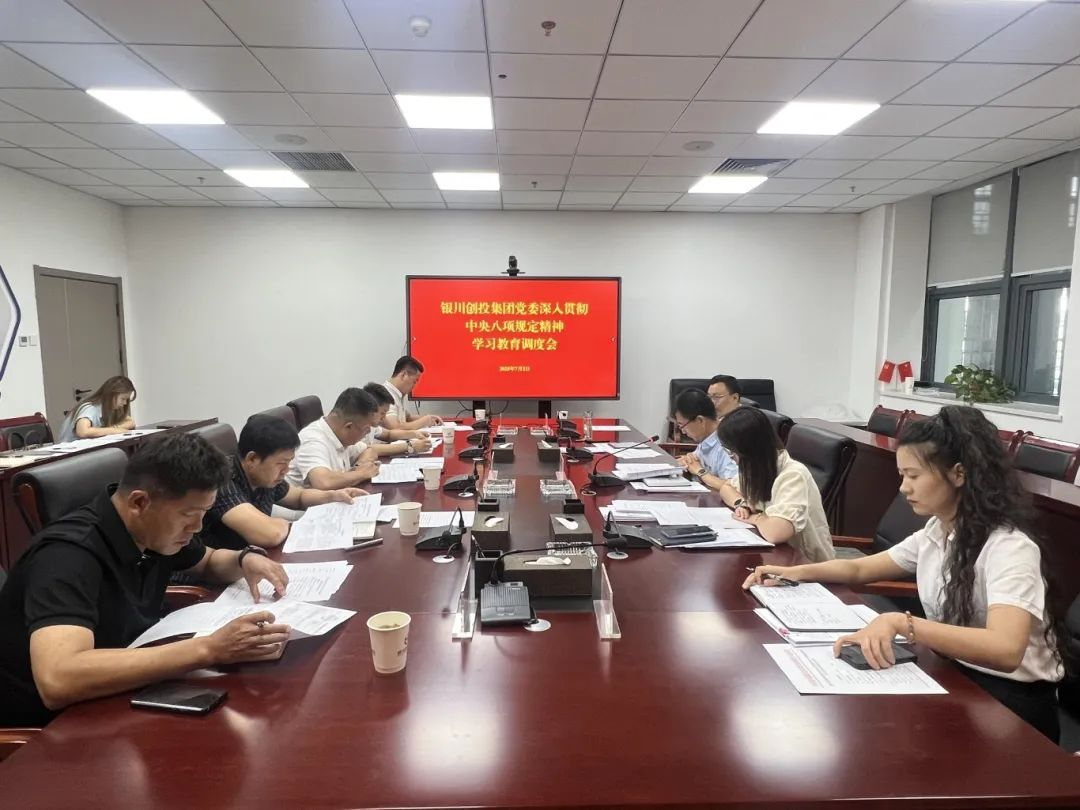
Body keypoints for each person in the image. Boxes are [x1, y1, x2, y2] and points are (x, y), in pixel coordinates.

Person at [743, 406, 1072, 742]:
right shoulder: (938, 531)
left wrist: (903, 623)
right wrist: (794, 572)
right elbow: (860, 567)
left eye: (913, 476)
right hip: (955, 675)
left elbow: (1005, 649)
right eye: (902, 476)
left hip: (1012, 707)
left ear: (958, 474)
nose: (903, 488)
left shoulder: (1009, 547)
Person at [0, 433, 292, 728]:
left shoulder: (152, 529)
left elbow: (208, 562)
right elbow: (59, 678)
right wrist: (209, 649)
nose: (197, 527)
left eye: (204, 513)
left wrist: (245, 559)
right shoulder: (66, 556)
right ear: (139, 502)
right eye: (189, 514)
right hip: (53, 727)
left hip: (123, 689)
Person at [200, 415, 368, 550]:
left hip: (251, 560)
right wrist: (289, 524)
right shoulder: (222, 479)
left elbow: (298, 497)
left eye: (289, 462)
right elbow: (270, 534)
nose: (286, 470)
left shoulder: (264, 475)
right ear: (252, 459)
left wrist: (333, 496)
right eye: (281, 464)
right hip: (217, 576)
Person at [715, 407, 835, 563]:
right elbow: (726, 488)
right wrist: (742, 504)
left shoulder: (793, 475)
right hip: (775, 556)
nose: (731, 458)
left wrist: (755, 517)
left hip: (807, 565)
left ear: (748, 450)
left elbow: (776, 532)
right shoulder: (756, 468)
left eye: (732, 451)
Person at [286, 388, 382, 490]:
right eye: (366, 429)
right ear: (348, 426)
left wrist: (360, 466)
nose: (368, 433)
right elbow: (323, 482)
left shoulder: (338, 433)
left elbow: (369, 450)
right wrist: (361, 473)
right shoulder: (313, 441)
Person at [674, 389, 738, 489]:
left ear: (700, 420)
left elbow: (734, 487)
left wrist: (700, 471)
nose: (683, 432)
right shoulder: (706, 438)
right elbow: (694, 462)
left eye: (682, 425)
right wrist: (687, 461)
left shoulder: (727, 444)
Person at [360, 382, 432, 458]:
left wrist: (414, 434)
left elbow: (388, 434)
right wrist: (409, 446)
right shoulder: (358, 425)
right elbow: (367, 449)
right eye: (382, 413)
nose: (384, 418)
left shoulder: (371, 423)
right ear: (370, 409)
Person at [58, 375, 137, 441]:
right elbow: (82, 431)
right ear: (111, 395)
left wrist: (115, 428)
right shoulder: (90, 408)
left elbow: (131, 422)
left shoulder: (110, 408)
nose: (125, 403)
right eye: (123, 399)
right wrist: (113, 430)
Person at [382, 356, 443, 431]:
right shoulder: (384, 395)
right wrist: (423, 422)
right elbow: (395, 427)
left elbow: (407, 417)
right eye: (414, 381)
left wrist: (429, 418)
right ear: (404, 375)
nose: (415, 386)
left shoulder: (397, 394)